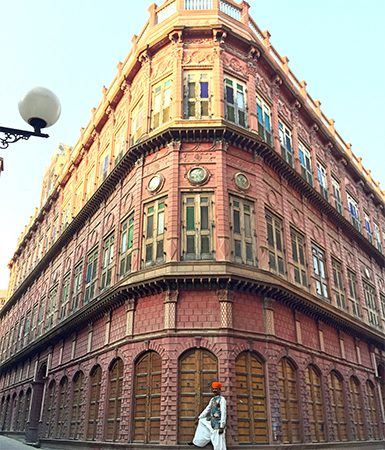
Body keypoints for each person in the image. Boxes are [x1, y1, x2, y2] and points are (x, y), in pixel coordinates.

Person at [189, 381, 227, 450]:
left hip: (218, 424)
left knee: (218, 444)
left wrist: (222, 426)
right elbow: (207, 409)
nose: (214, 390)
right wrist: (199, 417)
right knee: (202, 421)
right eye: (213, 389)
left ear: (219, 390)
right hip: (212, 421)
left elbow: (223, 412)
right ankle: (199, 442)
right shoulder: (212, 400)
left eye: (216, 389)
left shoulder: (222, 400)